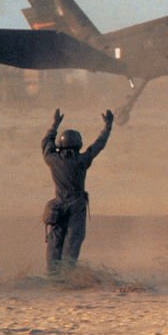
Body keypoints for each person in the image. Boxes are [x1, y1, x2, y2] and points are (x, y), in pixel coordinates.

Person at [42, 108, 113, 274]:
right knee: (73, 241)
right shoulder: (82, 160)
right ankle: (67, 274)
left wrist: (54, 125)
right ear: (78, 143)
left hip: (58, 205)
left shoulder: (52, 159)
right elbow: (99, 145)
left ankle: (52, 274)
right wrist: (108, 126)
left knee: (55, 240)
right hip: (76, 205)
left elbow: (46, 143)